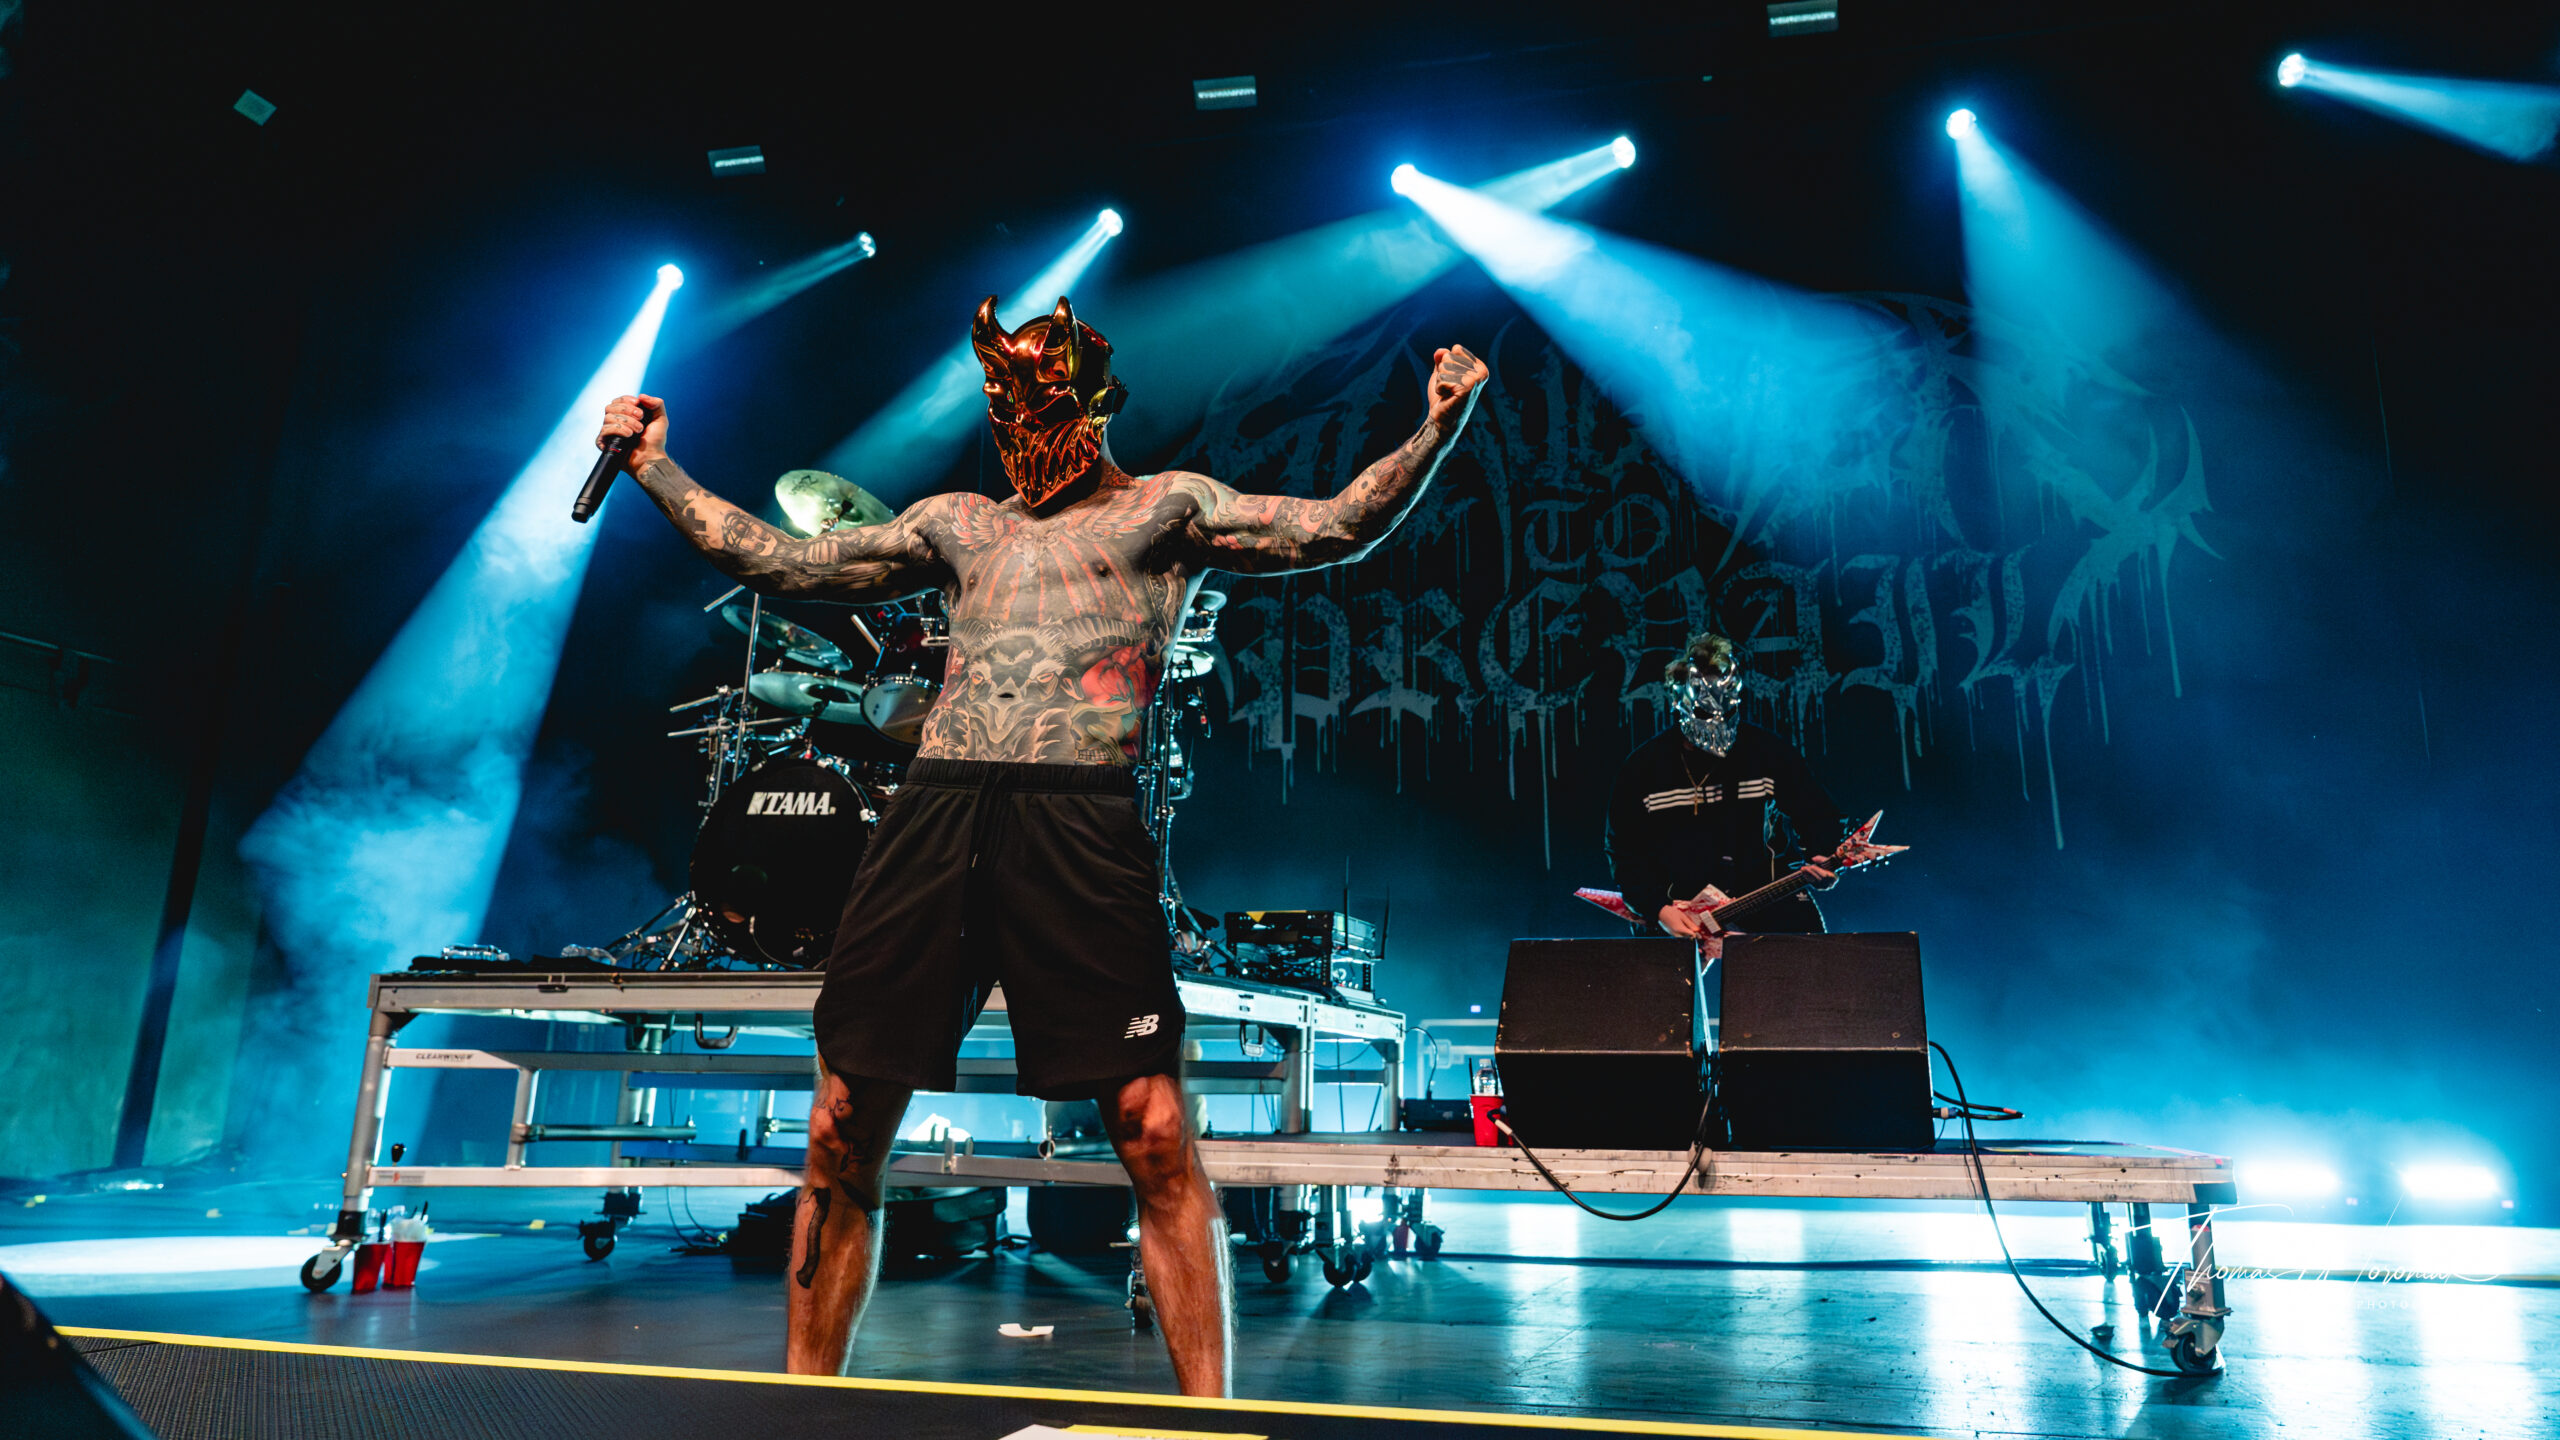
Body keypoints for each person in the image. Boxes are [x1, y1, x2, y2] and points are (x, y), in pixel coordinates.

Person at [596, 296, 1488, 1396]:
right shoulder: (959, 523)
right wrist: (655, 468)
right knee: (843, 1122)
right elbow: (786, 564)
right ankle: (805, 1406)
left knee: (1151, 1126)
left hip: (1076, 816)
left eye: (1042, 402)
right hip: (937, 812)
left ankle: (1205, 1415)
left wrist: (1435, 423)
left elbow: (1335, 525)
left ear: (1093, 404)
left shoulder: (1168, 507)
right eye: (1006, 404)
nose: (1022, 424)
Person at [1605, 632, 1884, 938]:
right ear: (1676, 701)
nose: (1716, 724)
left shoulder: (1766, 753)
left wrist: (1822, 853)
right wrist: (1658, 908)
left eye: (1728, 712)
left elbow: (1817, 812)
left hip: (1765, 905)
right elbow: (1624, 852)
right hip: (1679, 915)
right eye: (1704, 713)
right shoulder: (1643, 768)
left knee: (1810, 961)